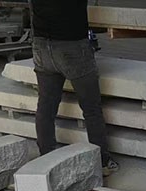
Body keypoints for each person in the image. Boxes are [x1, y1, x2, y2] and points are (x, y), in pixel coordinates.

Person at [29, 0, 119, 176]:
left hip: (41, 46)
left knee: (46, 107)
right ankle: (102, 162)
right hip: (72, 46)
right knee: (91, 109)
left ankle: (46, 158)